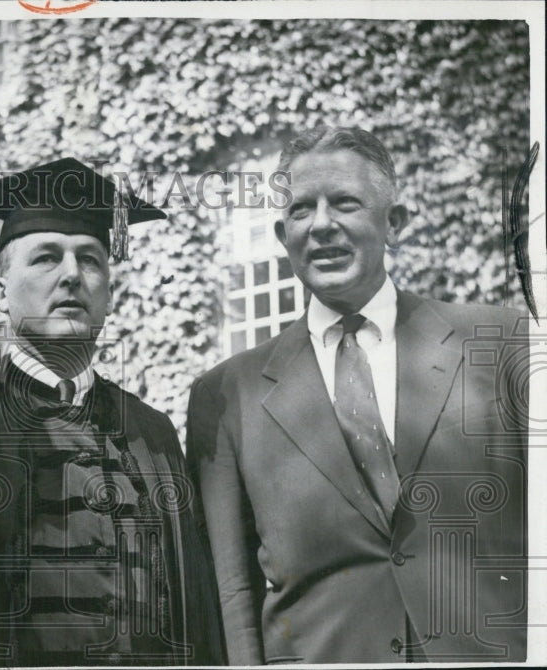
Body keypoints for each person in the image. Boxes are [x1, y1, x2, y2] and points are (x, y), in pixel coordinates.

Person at [187, 126, 528, 663]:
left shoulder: (502, 344)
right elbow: (232, 589)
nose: (321, 225)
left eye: (345, 202)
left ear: (394, 223)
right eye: (301, 211)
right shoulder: (227, 394)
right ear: (283, 236)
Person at [0, 158, 224, 666]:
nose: (71, 276)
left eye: (90, 259)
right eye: (45, 258)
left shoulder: (152, 433)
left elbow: (194, 606)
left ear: (108, 294)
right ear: (0, 294)